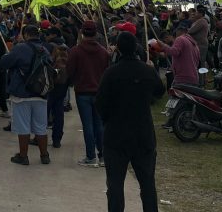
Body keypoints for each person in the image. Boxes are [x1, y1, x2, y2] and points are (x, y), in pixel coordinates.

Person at [96, 31, 165, 212]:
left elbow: (100, 104)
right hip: (143, 134)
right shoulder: (147, 70)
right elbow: (160, 92)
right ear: (137, 48)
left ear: (117, 48)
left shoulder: (111, 73)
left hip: (116, 135)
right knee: (148, 184)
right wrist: (152, 70)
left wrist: (108, 120)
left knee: (115, 186)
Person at [0, 24, 51, 165]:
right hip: (41, 93)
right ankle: (44, 155)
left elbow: (4, 63)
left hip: (22, 94)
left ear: (26, 35)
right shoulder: (44, 50)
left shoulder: (20, 48)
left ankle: (23, 156)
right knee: (41, 126)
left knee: (23, 126)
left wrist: (8, 52)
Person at [66, 20, 110, 167]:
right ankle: (103, 156)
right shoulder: (104, 52)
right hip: (99, 92)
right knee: (99, 125)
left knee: (88, 125)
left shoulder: (75, 51)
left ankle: (90, 157)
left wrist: (72, 81)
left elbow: (69, 71)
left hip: (82, 92)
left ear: (82, 32)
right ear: (96, 33)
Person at [45, 26, 69, 148]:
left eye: (47, 34)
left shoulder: (50, 47)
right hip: (63, 83)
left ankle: (40, 137)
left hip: (51, 82)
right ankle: (57, 139)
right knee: (59, 111)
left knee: (45, 110)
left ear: (53, 35)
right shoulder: (66, 47)